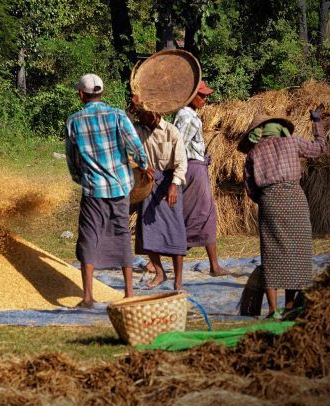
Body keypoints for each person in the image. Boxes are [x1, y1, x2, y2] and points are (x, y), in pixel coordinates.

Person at [65, 74, 151, 305]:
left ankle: (87, 296)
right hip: (119, 188)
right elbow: (135, 145)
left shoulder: (74, 121)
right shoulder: (118, 115)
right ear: (101, 93)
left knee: (89, 237)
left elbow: (72, 158)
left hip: (93, 190)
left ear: (82, 94)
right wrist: (143, 165)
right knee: (122, 233)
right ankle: (130, 293)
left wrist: (79, 178)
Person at [241, 106, 326, 318]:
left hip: (269, 202)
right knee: (296, 253)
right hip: (295, 200)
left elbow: (249, 187)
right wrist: (317, 122)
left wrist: (266, 199)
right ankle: (289, 306)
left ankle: (272, 309)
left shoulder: (254, 153)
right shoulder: (293, 142)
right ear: (280, 129)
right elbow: (320, 148)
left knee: (271, 254)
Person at [173, 81, 230, 276]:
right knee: (204, 213)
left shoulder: (186, 115)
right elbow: (179, 146)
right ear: (191, 96)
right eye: (202, 95)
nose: (205, 99)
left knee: (193, 214)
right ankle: (214, 266)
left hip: (193, 168)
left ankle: (213, 264)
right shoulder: (189, 118)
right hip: (193, 171)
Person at [132, 99, 188, 290]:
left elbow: (181, 162)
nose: (142, 117)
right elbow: (123, 131)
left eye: (145, 113)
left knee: (176, 232)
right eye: (140, 114)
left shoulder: (171, 131)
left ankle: (178, 281)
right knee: (147, 231)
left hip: (169, 182)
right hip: (148, 183)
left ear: (156, 113)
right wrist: (143, 166)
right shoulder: (138, 129)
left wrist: (173, 186)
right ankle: (159, 272)